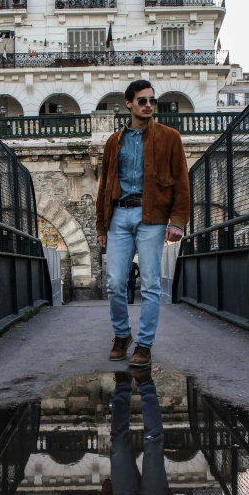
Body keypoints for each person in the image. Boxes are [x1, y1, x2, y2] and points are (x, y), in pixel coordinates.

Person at [96, 80, 190, 367]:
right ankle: (121, 334)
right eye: (142, 101)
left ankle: (144, 345)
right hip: (120, 216)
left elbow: (182, 182)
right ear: (129, 104)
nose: (148, 105)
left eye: (152, 101)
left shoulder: (169, 137)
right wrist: (101, 225)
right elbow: (105, 185)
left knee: (149, 284)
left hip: (152, 217)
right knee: (113, 282)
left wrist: (177, 222)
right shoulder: (114, 141)